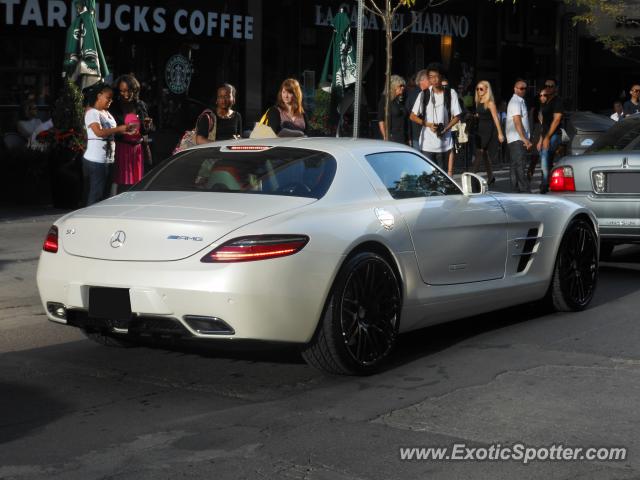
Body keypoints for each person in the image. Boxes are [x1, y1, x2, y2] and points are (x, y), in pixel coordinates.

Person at [84, 83, 133, 206]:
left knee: (105, 195)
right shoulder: (92, 113)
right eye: (108, 97)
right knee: (96, 194)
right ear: (99, 96)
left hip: (109, 159)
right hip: (97, 160)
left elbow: (111, 132)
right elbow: (98, 132)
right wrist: (119, 129)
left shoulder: (107, 113)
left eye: (111, 98)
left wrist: (126, 130)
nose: (110, 101)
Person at [409, 62, 461, 171]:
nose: (434, 80)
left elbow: (457, 116)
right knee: (427, 174)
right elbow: (412, 116)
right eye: (431, 77)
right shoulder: (424, 94)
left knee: (441, 175)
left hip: (444, 143)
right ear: (428, 78)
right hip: (427, 143)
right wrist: (428, 124)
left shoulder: (451, 93)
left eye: (437, 76)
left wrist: (446, 128)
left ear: (441, 76)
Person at [110, 74, 152, 194]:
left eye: (128, 91)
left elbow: (145, 131)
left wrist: (147, 126)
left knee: (137, 185)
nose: (125, 94)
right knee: (121, 183)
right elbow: (112, 129)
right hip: (121, 148)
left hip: (137, 150)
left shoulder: (140, 105)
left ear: (134, 90)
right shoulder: (114, 106)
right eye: (121, 91)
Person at [471, 80, 504, 185]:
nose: (479, 91)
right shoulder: (478, 101)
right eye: (477, 89)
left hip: (488, 130)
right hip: (479, 130)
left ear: (487, 90)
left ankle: (471, 177)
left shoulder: (490, 103)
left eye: (481, 89)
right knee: (484, 155)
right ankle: (491, 177)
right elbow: (480, 115)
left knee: (479, 153)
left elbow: (496, 118)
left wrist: (500, 133)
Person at [537, 78, 564, 193]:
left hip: (554, 135)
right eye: (546, 85)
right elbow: (544, 124)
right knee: (548, 159)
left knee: (544, 155)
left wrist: (547, 138)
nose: (548, 88)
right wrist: (541, 139)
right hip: (546, 135)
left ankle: (544, 183)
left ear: (555, 88)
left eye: (551, 86)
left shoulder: (557, 101)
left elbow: (557, 120)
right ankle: (550, 181)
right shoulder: (545, 101)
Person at [506, 79, 532, 193]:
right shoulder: (516, 101)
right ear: (515, 89)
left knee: (515, 165)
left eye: (525, 88)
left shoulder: (519, 101)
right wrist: (524, 138)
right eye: (521, 88)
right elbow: (517, 121)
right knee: (520, 165)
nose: (523, 90)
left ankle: (515, 190)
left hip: (516, 138)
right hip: (517, 138)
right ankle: (524, 191)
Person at [377, 74, 408, 144]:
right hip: (392, 137)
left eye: (403, 86)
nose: (403, 88)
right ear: (393, 86)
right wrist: (385, 136)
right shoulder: (385, 99)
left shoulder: (399, 100)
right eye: (400, 86)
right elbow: (381, 119)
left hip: (402, 136)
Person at [406, 70, 429, 150]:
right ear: (423, 80)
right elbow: (409, 116)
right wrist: (409, 136)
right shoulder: (416, 94)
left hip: (424, 134)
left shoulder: (426, 92)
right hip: (418, 135)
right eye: (429, 78)